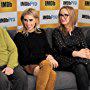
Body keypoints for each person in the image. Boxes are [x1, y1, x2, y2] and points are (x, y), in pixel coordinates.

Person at [14, 8, 58, 90]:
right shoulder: (19, 36)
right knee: (46, 64)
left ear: (36, 20)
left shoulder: (41, 32)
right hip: (29, 65)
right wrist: (46, 58)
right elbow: (25, 58)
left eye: (31, 20)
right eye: (25, 20)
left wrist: (50, 57)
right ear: (22, 21)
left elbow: (47, 48)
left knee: (52, 74)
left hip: (43, 63)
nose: (28, 23)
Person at [52, 6, 90, 90]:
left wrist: (87, 53)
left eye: (66, 15)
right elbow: (62, 49)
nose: (63, 17)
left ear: (72, 16)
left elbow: (84, 45)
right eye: (61, 15)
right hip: (63, 59)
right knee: (80, 66)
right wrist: (77, 53)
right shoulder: (57, 31)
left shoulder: (78, 30)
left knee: (87, 62)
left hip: (79, 58)